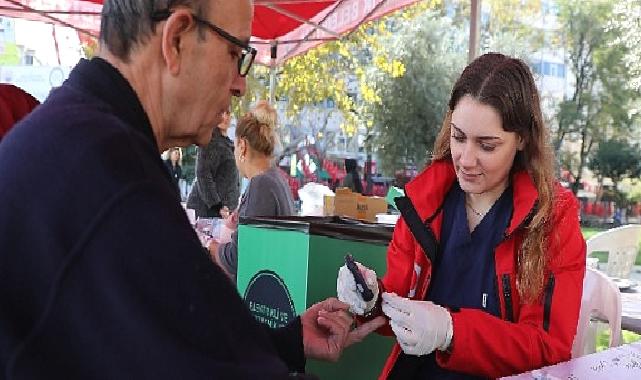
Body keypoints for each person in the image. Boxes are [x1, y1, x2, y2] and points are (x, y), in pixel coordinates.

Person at [0, 1, 384, 378]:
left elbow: (172, 337)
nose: (240, 84)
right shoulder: (114, 173)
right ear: (177, 39)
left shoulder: (79, 137)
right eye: (235, 53)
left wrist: (286, 342)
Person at [337, 53, 586, 379]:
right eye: (458, 137)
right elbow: (399, 308)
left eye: (487, 145)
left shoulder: (552, 219)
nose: (466, 159)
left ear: (522, 139)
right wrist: (371, 299)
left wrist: (451, 331)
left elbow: (548, 349)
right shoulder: (424, 205)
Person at [209, 101, 295, 280]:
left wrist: (209, 245)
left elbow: (237, 258)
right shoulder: (276, 180)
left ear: (242, 146)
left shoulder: (261, 185)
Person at [187, 111, 239, 217]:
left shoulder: (227, 142)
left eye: (228, 113)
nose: (224, 117)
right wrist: (217, 206)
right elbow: (203, 174)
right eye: (220, 112)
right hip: (206, 211)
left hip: (221, 211)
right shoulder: (209, 140)